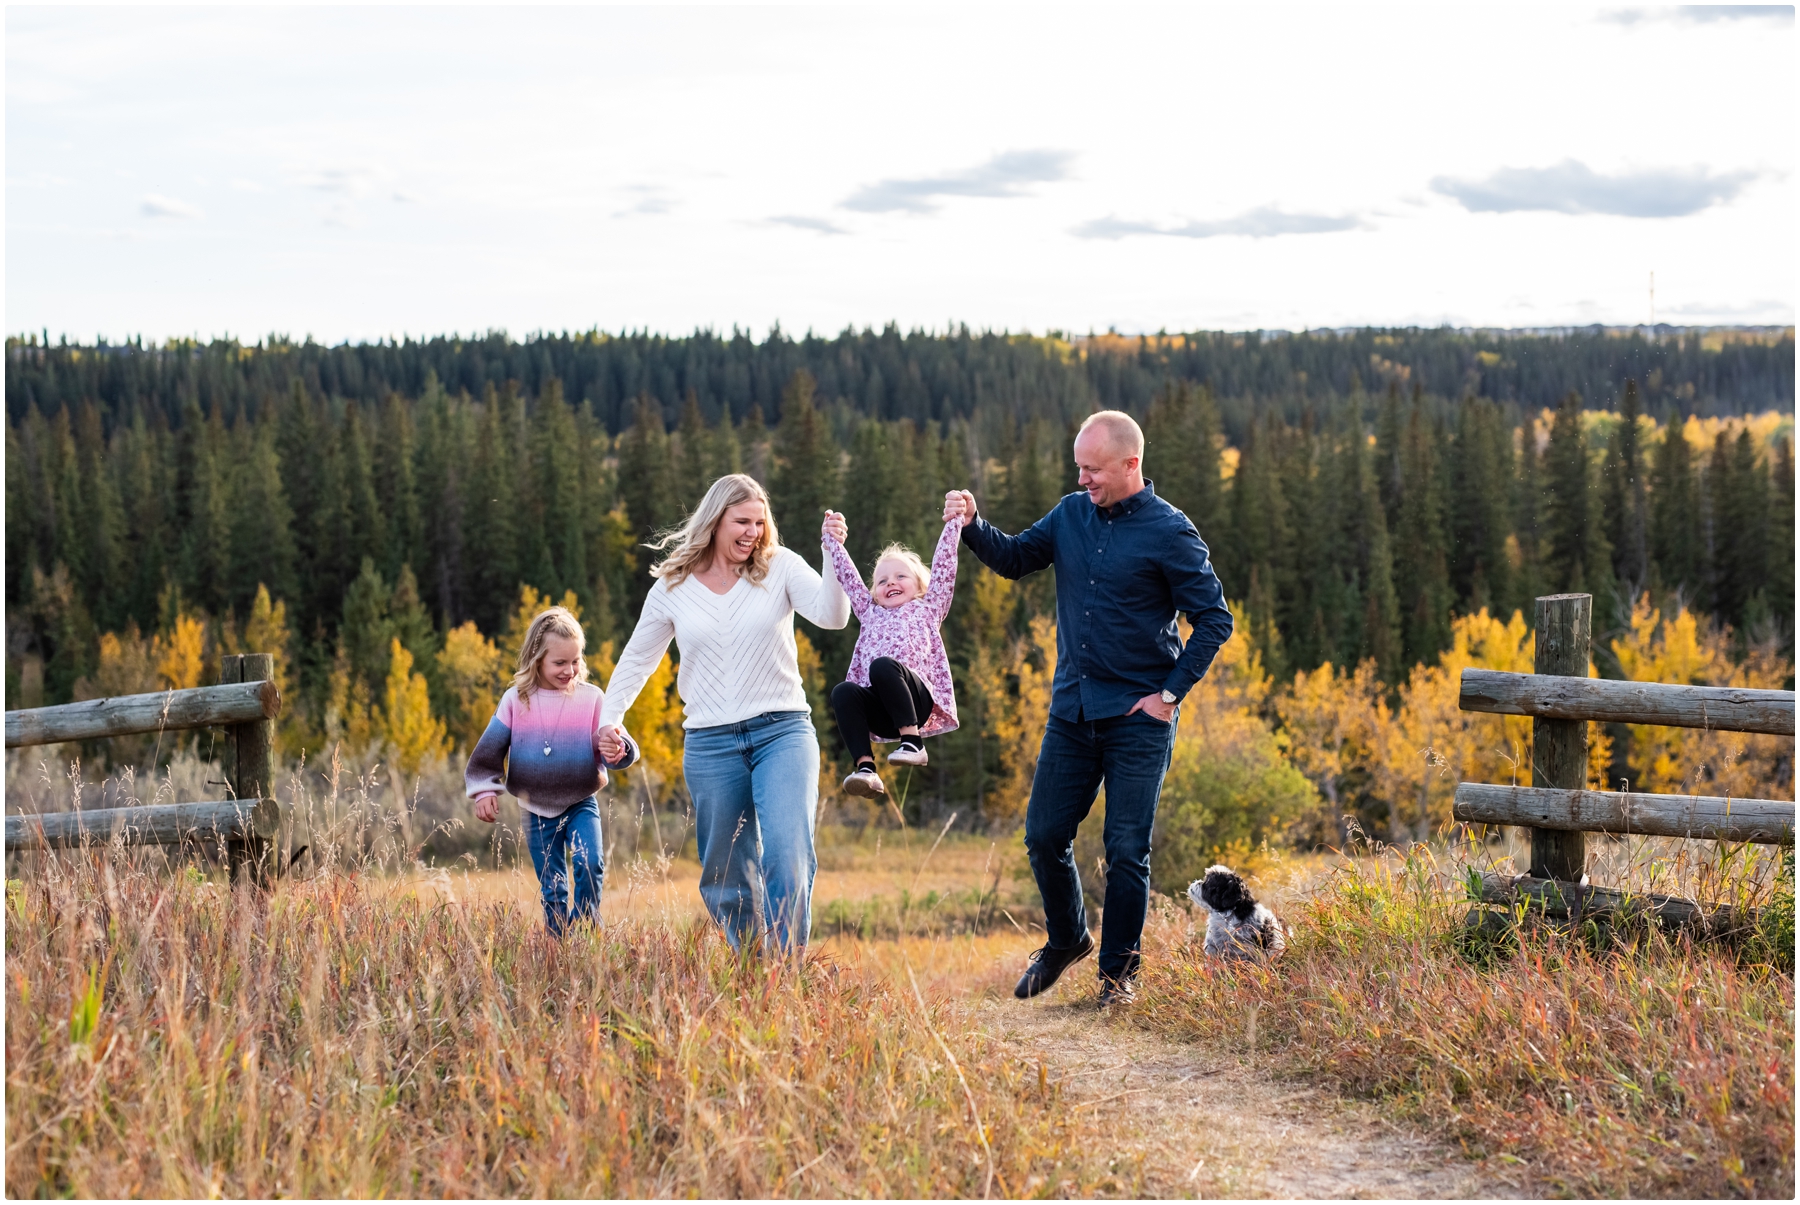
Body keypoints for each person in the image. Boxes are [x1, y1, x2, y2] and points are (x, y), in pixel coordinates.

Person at [944, 409, 1233, 1007]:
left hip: (1138, 720)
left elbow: (1213, 620)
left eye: (1093, 469)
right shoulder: (1069, 514)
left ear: (1131, 464)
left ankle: (1118, 980)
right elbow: (1015, 559)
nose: (1082, 479)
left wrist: (1169, 695)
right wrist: (973, 523)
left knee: (1126, 851)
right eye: (1078, 467)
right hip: (1072, 712)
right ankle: (1067, 938)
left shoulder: (1171, 532)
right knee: (1044, 835)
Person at [596, 473, 849, 954]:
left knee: (788, 855)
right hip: (710, 744)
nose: (753, 532)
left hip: (783, 732)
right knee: (725, 872)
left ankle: (784, 972)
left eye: (760, 522)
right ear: (715, 521)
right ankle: (750, 966)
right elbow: (637, 659)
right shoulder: (673, 585)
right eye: (742, 522)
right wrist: (611, 718)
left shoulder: (779, 566)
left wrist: (833, 554)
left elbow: (832, 617)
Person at [466, 606, 641, 935]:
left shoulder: (592, 699)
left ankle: (585, 931)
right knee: (554, 886)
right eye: (559, 662)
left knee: (590, 864)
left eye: (575, 661)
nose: (569, 670)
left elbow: (619, 742)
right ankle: (557, 946)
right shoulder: (515, 700)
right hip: (535, 809)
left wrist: (618, 749)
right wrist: (484, 790)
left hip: (581, 802)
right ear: (536, 660)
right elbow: (488, 752)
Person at [823, 512, 963, 798]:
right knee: (843, 691)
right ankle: (865, 768)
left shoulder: (929, 608)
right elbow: (848, 577)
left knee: (883, 666)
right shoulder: (869, 613)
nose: (890, 583)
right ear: (874, 593)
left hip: (915, 701)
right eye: (882, 581)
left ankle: (913, 743)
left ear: (920, 586)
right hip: (881, 712)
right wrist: (831, 540)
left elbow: (945, 565)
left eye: (901, 577)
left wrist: (955, 520)